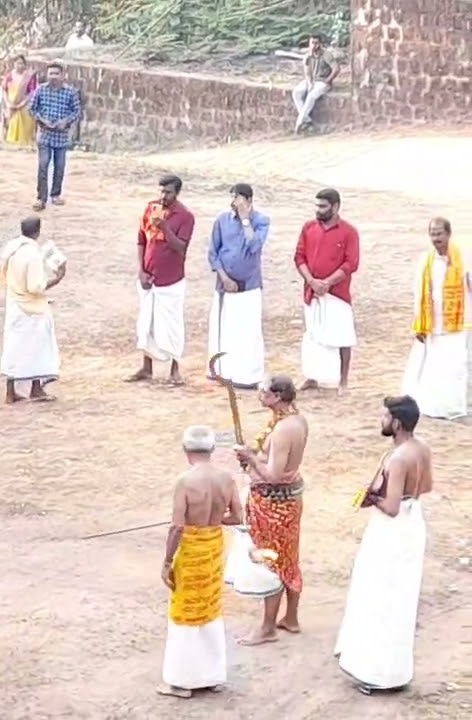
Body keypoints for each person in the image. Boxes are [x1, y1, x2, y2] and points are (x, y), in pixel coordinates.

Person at [335, 395, 432, 695]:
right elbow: (425, 487)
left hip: (392, 528)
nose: (381, 421)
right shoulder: (421, 448)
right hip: (413, 520)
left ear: (397, 423)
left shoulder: (399, 458)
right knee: (400, 596)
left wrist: (372, 497)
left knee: (380, 596)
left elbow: (390, 507)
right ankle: (394, 670)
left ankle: (376, 672)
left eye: (385, 417)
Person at [158, 425, 244, 698]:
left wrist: (166, 561)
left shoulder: (185, 481)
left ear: (186, 451)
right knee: (209, 606)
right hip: (212, 547)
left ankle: (182, 680)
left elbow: (177, 528)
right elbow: (237, 517)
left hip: (192, 550)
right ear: (211, 450)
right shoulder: (226, 479)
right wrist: (214, 519)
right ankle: (211, 675)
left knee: (185, 609)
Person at [233, 376, 309, 646]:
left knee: (273, 561)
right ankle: (291, 617)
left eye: (264, 392)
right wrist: (253, 455)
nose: (259, 394)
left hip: (275, 503)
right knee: (288, 557)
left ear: (277, 397)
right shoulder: (295, 420)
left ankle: (267, 627)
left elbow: (274, 476)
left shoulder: (283, 429)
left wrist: (252, 459)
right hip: (290, 500)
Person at [129, 175, 195, 386]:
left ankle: (174, 369)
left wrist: (165, 227)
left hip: (171, 279)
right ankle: (146, 367)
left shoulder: (185, 216)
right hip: (149, 277)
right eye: (161, 191)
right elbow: (141, 240)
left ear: (177, 193)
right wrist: (141, 270)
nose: (163, 196)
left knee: (172, 324)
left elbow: (181, 248)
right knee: (146, 322)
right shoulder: (151, 208)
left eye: (168, 192)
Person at [401, 218, 469, 419]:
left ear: (448, 234)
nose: (436, 238)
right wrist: (418, 323)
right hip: (432, 322)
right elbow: (419, 293)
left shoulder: (463, 260)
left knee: (455, 366)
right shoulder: (426, 260)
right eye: (432, 234)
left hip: (457, 322)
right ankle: (433, 407)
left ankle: (453, 408)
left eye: (439, 233)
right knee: (433, 366)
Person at [294, 188, 360, 394]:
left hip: (337, 294)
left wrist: (327, 283)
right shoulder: (308, 227)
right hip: (312, 291)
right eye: (317, 206)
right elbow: (299, 257)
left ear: (336, 206)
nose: (318, 210)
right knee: (313, 335)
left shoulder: (349, 232)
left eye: (323, 206)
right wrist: (312, 281)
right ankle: (312, 376)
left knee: (343, 337)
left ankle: (343, 381)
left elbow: (351, 264)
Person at [207, 183, 271, 389]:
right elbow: (213, 253)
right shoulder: (222, 221)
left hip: (248, 286)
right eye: (232, 198)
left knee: (247, 332)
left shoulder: (261, 221)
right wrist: (224, 277)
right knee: (224, 330)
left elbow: (254, 246)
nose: (233, 203)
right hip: (225, 285)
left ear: (249, 201)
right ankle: (222, 372)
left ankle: (247, 376)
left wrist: (245, 220)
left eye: (238, 198)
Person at [0, 216, 67, 403]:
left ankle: (11, 391)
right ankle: (36, 388)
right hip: (32, 308)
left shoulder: (11, 249)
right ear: (38, 231)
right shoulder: (32, 255)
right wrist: (58, 278)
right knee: (39, 347)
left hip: (14, 303)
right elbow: (35, 287)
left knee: (14, 347)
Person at [27, 62, 81, 209]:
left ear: (62, 75)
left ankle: (55, 195)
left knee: (60, 166)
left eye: (56, 73)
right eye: (51, 73)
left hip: (62, 137)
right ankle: (41, 198)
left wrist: (65, 121)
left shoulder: (70, 92)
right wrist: (41, 120)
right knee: (43, 166)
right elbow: (31, 109)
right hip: (44, 135)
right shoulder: (41, 90)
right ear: (47, 74)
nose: (53, 77)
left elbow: (76, 112)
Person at [292, 34, 340, 132]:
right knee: (297, 92)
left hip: (323, 81)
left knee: (312, 95)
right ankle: (307, 120)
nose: (314, 46)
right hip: (312, 80)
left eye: (316, 43)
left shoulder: (326, 55)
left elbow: (336, 69)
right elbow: (307, 72)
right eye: (312, 43)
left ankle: (299, 122)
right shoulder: (308, 56)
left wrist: (328, 80)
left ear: (320, 44)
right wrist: (309, 83)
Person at [0, 55, 38, 148]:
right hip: (11, 106)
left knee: (26, 128)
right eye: (17, 63)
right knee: (11, 126)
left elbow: (32, 92)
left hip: (25, 106)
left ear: (25, 65)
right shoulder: (9, 76)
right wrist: (8, 103)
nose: (19, 66)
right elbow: (4, 90)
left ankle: (26, 144)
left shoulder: (29, 76)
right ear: (14, 64)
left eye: (21, 63)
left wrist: (22, 104)